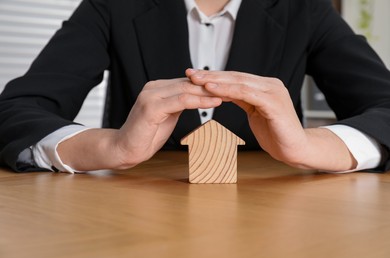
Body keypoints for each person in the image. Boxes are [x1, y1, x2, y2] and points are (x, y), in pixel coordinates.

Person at [0, 0, 390, 173]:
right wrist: (110, 146)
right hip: (131, 219)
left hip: (271, 216)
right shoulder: (112, 5)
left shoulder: (305, 8)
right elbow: (15, 111)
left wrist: (308, 146)